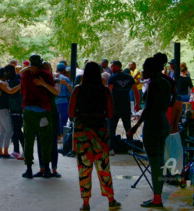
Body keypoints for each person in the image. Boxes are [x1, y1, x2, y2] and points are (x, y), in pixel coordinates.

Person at [69, 61, 121, 211]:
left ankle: (85, 204)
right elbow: (110, 114)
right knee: (103, 166)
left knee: (84, 167)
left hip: (82, 132)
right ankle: (111, 200)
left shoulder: (78, 90)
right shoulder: (104, 91)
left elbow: (71, 114)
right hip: (100, 132)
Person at [128, 56, 172, 208]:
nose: (142, 72)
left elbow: (148, 109)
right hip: (164, 123)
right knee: (160, 161)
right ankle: (158, 195)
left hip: (153, 126)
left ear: (150, 70)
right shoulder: (166, 82)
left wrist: (135, 126)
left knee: (154, 162)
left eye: (144, 69)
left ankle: (157, 198)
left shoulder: (153, 84)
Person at [21, 55, 55, 179]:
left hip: (29, 111)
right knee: (46, 140)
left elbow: (22, 91)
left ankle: (29, 169)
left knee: (28, 140)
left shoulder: (25, 75)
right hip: (44, 111)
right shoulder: (46, 75)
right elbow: (52, 93)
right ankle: (46, 168)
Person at [33, 61, 62, 178]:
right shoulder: (36, 80)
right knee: (40, 141)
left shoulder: (55, 80)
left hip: (52, 111)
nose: (46, 70)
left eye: (47, 68)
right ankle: (42, 168)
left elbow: (56, 92)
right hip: (41, 112)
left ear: (51, 69)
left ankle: (54, 169)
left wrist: (44, 83)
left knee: (53, 142)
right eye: (43, 68)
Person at [108, 61, 140, 155]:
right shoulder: (129, 77)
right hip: (125, 106)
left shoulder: (112, 78)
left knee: (112, 127)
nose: (110, 68)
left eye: (111, 66)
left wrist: (106, 105)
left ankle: (111, 149)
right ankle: (130, 148)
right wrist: (137, 103)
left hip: (115, 106)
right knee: (128, 127)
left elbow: (109, 92)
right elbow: (136, 91)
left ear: (114, 67)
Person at [0, 66, 20, 158]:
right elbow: (10, 91)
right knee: (9, 130)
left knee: (3, 131)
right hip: (3, 110)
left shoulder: (1, 82)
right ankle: (5, 151)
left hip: (0, 109)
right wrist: (21, 85)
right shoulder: (1, 83)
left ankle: (0, 151)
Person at [7, 65, 25, 159]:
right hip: (16, 108)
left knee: (17, 130)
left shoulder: (14, 82)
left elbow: (11, 93)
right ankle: (16, 150)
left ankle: (24, 150)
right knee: (15, 130)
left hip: (16, 108)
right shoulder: (17, 80)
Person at [55, 63, 72, 139]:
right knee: (63, 120)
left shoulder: (53, 77)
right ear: (64, 70)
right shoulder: (66, 79)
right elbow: (69, 93)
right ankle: (62, 135)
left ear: (56, 69)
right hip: (64, 101)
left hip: (55, 100)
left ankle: (56, 135)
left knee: (56, 119)